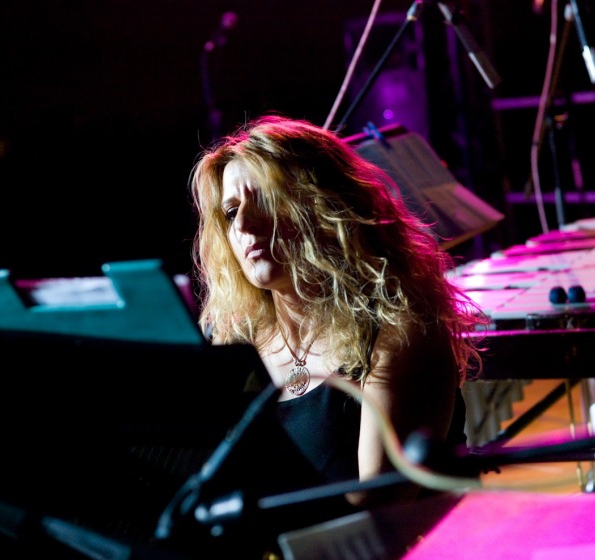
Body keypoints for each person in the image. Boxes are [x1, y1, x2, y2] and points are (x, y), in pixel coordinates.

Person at [188, 114, 484, 513]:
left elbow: (375, 505)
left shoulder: (399, 330)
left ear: (325, 207)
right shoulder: (236, 340)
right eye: (230, 212)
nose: (243, 224)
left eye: (265, 200)